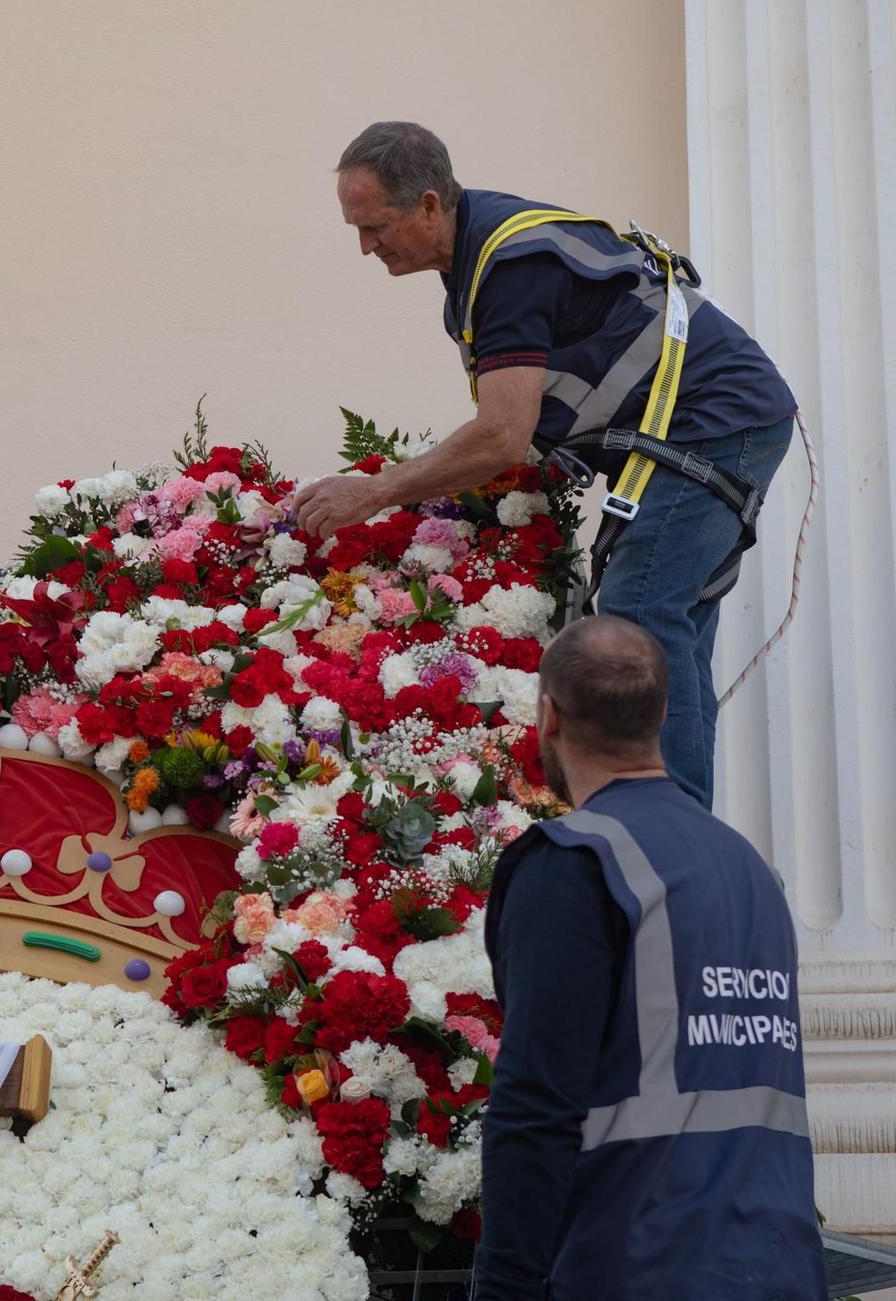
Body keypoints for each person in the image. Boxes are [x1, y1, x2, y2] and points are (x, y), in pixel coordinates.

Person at [290, 121, 798, 808]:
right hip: (709, 424)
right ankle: (682, 819)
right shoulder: (476, 266)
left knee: (640, 612)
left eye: (376, 226)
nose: (366, 246)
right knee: (669, 630)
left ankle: (663, 825)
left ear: (430, 205)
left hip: (714, 421)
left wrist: (376, 491)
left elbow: (502, 433)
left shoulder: (508, 264)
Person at [473, 614, 824, 1299]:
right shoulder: (749, 867)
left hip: (637, 1264)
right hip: (779, 1266)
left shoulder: (574, 862)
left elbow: (535, 1103)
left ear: (547, 714)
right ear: (664, 712)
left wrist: (504, 1287)